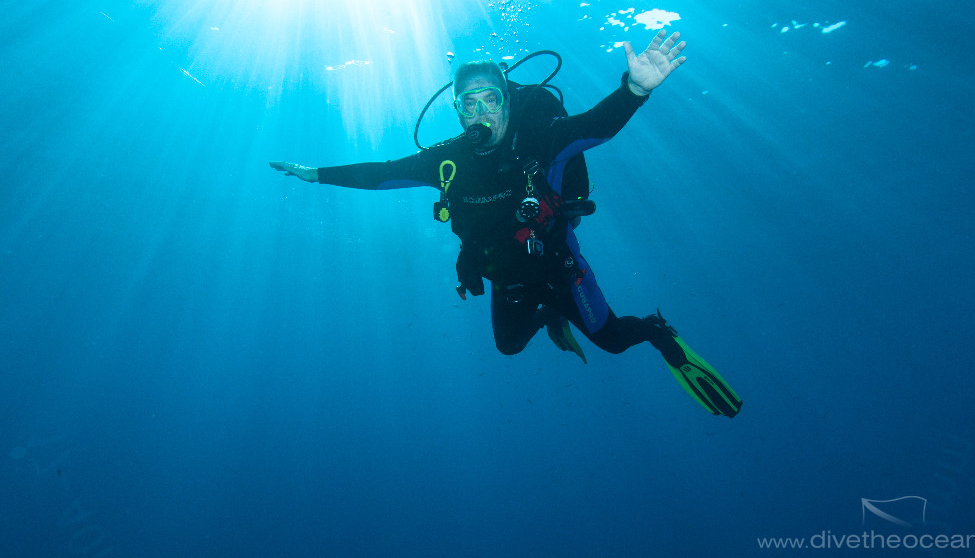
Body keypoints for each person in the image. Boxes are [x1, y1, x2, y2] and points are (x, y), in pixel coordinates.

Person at [271, 30, 742, 417]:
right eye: (469, 104)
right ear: (458, 111)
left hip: (559, 271)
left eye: (490, 100)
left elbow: (595, 125)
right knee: (508, 348)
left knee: (615, 342)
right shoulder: (447, 161)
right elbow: (381, 174)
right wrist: (315, 174)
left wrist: (634, 90)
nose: (481, 114)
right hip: (507, 280)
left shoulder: (541, 139)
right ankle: (550, 316)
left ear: (507, 103)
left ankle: (657, 331)